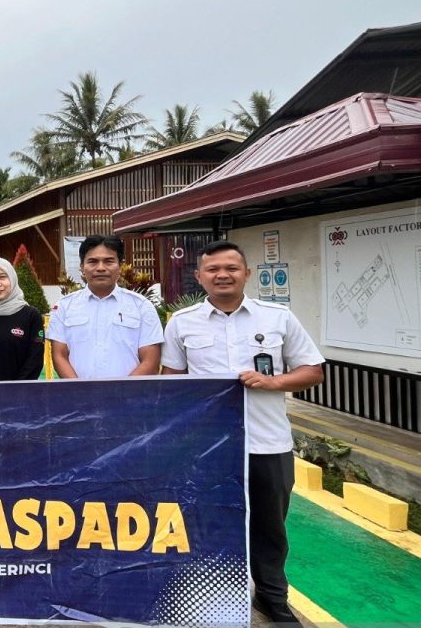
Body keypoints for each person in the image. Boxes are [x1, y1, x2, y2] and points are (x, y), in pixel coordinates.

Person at [162, 240, 324, 626]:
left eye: (231, 268)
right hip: (207, 448)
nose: (223, 275)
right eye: (213, 269)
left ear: (246, 274)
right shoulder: (182, 323)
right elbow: (170, 382)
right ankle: (208, 600)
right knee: (207, 524)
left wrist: (273, 382)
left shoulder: (278, 317)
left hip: (268, 442)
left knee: (270, 527)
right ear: (199, 276)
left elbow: (313, 371)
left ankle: (272, 598)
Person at [47, 234, 163, 378]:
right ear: (82, 267)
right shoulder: (64, 307)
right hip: (78, 392)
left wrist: (120, 390)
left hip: (129, 392)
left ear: (120, 266)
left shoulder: (141, 306)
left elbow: (151, 361)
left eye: (109, 261)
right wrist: (80, 388)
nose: (100, 268)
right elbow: (59, 356)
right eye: (93, 262)